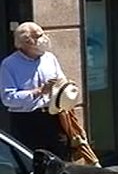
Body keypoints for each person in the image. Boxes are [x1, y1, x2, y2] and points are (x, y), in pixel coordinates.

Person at [0, 22, 70, 159]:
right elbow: (8, 98)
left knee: (61, 156)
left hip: (54, 116)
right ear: (27, 41)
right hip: (28, 120)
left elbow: (62, 82)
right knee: (34, 160)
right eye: (39, 35)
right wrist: (38, 91)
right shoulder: (10, 64)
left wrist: (66, 89)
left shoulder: (50, 58)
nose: (45, 38)